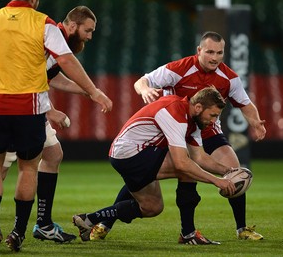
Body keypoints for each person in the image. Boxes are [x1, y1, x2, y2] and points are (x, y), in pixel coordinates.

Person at [89, 31, 266, 244]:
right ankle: (108, 223)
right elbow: (142, 81)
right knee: (152, 176)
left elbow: (245, 104)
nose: (215, 57)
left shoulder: (229, 78)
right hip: (174, 132)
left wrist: (255, 122)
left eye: (220, 53)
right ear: (199, 51)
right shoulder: (179, 69)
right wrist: (145, 90)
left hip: (207, 130)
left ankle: (241, 228)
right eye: (210, 51)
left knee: (234, 168)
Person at [0, 0, 112, 253]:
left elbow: (49, 74)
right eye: (88, 30)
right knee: (22, 168)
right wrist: (91, 91)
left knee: (4, 163)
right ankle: (18, 229)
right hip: (29, 108)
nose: (89, 36)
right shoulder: (45, 26)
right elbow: (50, 66)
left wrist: (86, 92)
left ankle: (9, 225)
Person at [72, 87, 237, 243]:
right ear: (199, 107)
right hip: (130, 154)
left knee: (152, 207)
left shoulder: (193, 121)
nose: (214, 121)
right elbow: (182, 163)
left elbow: (200, 157)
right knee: (186, 170)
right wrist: (217, 181)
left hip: (131, 155)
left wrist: (229, 171)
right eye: (213, 115)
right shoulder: (176, 111)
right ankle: (188, 233)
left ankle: (89, 219)